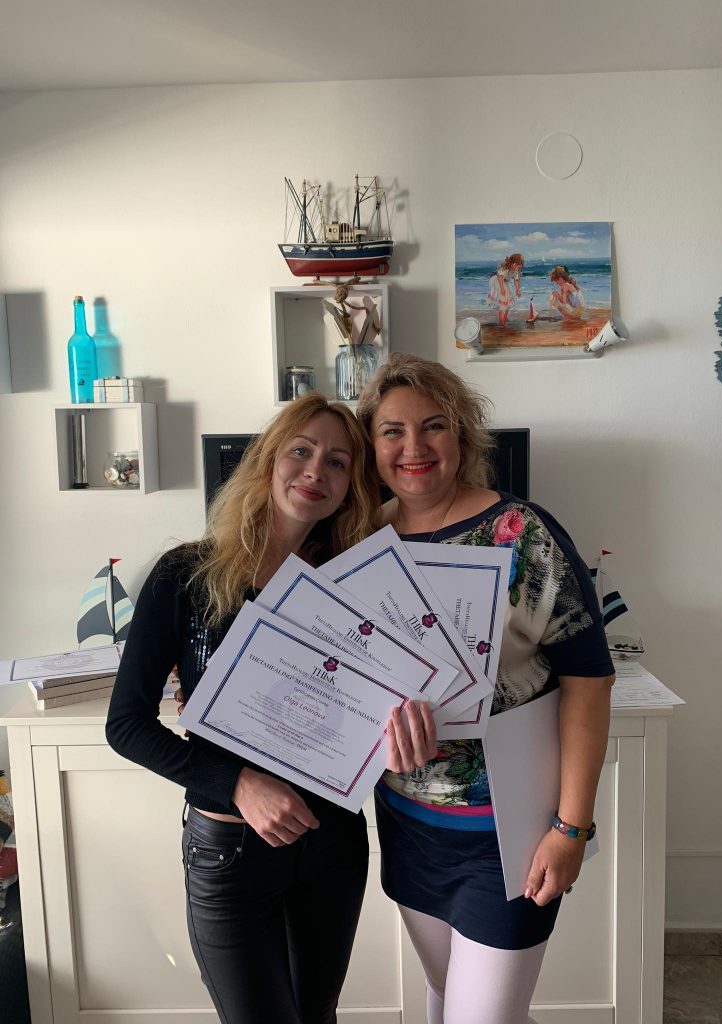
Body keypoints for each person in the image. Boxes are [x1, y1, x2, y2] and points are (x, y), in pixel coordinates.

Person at [106, 394, 386, 1024]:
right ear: (267, 461)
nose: (316, 471)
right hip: (231, 851)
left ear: (352, 487)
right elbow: (126, 726)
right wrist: (237, 784)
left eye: (338, 462)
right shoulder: (187, 574)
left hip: (332, 844)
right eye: (301, 450)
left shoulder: (354, 583)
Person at [356, 354, 615, 1024]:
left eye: (433, 425)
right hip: (408, 825)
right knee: (447, 1000)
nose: (413, 447)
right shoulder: (363, 539)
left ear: (463, 434)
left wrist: (572, 827)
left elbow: (590, 680)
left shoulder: (522, 533)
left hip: (509, 835)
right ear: (371, 445)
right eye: (392, 431)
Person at [486, 253, 524, 327]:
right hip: (497, 281)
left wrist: (517, 290)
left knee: (508, 300)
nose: (518, 268)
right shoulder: (505, 268)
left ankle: (505, 318)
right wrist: (502, 289)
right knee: (503, 301)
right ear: (512, 264)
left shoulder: (516, 271)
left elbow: (516, 281)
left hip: (504, 282)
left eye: (519, 266)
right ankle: (501, 321)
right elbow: (500, 277)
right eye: (517, 265)